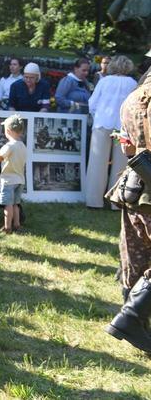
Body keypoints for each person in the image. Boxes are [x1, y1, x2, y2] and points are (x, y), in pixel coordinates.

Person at [105, 74, 151, 353]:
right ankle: (131, 319)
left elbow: (127, 148)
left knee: (134, 259)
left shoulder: (132, 98)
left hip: (134, 187)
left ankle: (136, 325)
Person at [85, 55, 137, 209]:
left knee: (97, 164)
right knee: (121, 164)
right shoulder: (133, 83)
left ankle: (93, 201)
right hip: (123, 128)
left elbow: (92, 103)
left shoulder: (104, 81)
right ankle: (117, 201)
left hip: (102, 124)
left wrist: (97, 116)